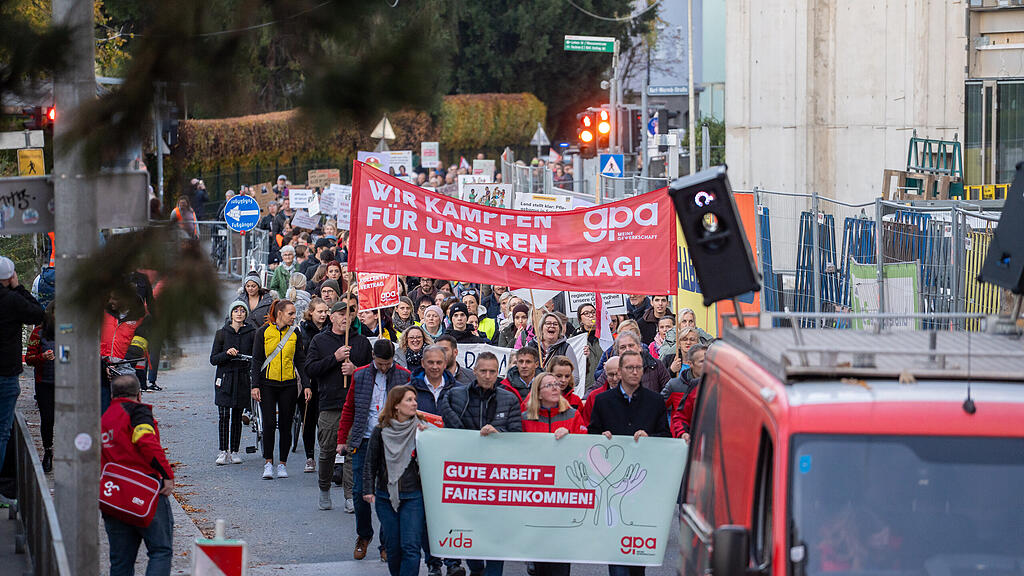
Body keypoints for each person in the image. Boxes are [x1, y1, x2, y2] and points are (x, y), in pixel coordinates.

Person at [586, 350, 669, 576]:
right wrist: (602, 438)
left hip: (642, 482)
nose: (635, 372)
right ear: (620, 372)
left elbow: (665, 436)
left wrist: (650, 439)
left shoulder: (655, 401)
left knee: (636, 550)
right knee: (616, 549)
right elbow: (592, 434)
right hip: (612, 483)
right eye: (630, 368)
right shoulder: (603, 401)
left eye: (639, 368)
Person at [439, 352, 521, 576]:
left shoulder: (509, 399)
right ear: (474, 372)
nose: (487, 375)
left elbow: (517, 436)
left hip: (499, 477)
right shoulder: (456, 395)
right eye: (483, 371)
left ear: (498, 373)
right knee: (470, 527)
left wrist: (499, 432)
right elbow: (446, 428)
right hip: (466, 474)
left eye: (492, 372)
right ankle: (476, 567)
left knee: (496, 532)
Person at [337, 339, 412, 561]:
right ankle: (364, 535)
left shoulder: (404, 376)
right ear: (373, 358)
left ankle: (386, 542)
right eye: (380, 364)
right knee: (360, 492)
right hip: (365, 439)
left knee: (389, 494)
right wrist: (342, 439)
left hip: (392, 441)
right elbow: (349, 407)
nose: (384, 368)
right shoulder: (359, 375)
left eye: (388, 363)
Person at [101, 374, 175, 576]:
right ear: (138, 394)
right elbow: (147, 443)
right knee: (160, 550)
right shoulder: (137, 413)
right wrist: (167, 474)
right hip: (145, 493)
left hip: (114, 497)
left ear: (113, 394)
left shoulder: (104, 419)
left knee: (120, 562)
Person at [305, 298, 372, 511]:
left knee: (352, 451)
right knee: (326, 452)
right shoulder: (319, 340)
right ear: (332, 317)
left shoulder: (361, 341)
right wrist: (334, 358)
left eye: (349, 314)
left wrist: (356, 370)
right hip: (329, 404)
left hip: (355, 404)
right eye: (341, 314)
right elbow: (310, 369)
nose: (345, 317)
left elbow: (372, 371)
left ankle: (350, 495)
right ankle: (324, 488)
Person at [363, 385, 429, 576]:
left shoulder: (422, 429)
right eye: (409, 400)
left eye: (415, 399)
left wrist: (428, 437)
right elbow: (370, 462)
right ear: (396, 405)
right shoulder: (380, 431)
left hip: (413, 496)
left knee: (410, 546)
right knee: (393, 547)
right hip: (386, 496)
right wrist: (368, 489)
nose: (414, 403)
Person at [408, 345, 461, 576]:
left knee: (451, 513)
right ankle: (433, 562)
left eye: (439, 362)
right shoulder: (411, 391)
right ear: (423, 364)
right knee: (427, 517)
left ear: (445, 362)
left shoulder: (458, 389)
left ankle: (453, 562)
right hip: (421, 462)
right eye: (430, 362)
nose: (435, 367)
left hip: (451, 460)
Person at [250, 299, 311, 480]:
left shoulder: (295, 332)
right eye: (290, 313)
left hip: (289, 384)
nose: (294, 316)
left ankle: (282, 463)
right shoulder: (263, 332)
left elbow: (300, 360)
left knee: (286, 424)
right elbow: (257, 360)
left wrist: (306, 384)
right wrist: (254, 385)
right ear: (279, 314)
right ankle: (268, 462)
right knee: (268, 424)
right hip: (267, 383)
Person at [210, 300, 256, 465]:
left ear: (245, 314)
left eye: (242, 311)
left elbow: (255, 357)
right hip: (225, 378)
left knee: (237, 416)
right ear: (231, 314)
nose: (239, 313)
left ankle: (235, 450)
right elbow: (213, 359)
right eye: (235, 310)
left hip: (242, 378)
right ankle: (223, 451)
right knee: (223, 416)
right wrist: (227, 354)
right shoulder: (222, 333)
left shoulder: (252, 333)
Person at [297, 297, 329, 471]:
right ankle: (310, 456)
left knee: (325, 421)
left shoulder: (331, 328)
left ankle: (326, 454)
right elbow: (301, 358)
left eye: (326, 311)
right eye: (320, 311)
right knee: (308, 419)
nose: (324, 315)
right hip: (309, 380)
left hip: (327, 379)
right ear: (311, 313)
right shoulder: (303, 331)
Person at [24, 302, 55, 472]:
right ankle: (48, 452)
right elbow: (29, 358)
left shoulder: (68, 330)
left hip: (65, 383)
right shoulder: (38, 332)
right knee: (48, 419)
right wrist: (42, 357)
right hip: (44, 382)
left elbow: (72, 352)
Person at [669, 344, 708, 440]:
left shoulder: (729, 385)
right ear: (691, 364)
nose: (707, 364)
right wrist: (683, 433)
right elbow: (681, 417)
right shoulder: (694, 386)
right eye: (702, 361)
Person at [578, 356, 619, 426]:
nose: (615, 379)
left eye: (617, 374)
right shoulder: (593, 397)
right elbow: (586, 425)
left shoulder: (634, 394)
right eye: (611, 375)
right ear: (605, 374)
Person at [570, 303, 602, 391]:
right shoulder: (575, 339)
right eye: (586, 313)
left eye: (593, 312)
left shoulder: (605, 336)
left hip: (603, 384)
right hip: (585, 386)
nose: (591, 315)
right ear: (580, 320)